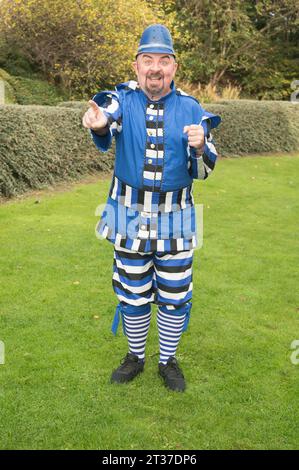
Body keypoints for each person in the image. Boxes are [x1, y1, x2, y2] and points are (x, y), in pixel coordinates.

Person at [82, 24, 221, 392]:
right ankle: (135, 356)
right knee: (132, 292)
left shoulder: (192, 108)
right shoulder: (121, 100)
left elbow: (205, 170)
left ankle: (167, 360)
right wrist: (98, 124)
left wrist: (200, 145)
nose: (155, 68)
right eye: (148, 60)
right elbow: (105, 119)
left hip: (177, 218)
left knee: (175, 296)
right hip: (127, 215)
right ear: (136, 65)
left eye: (163, 60)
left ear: (174, 67)